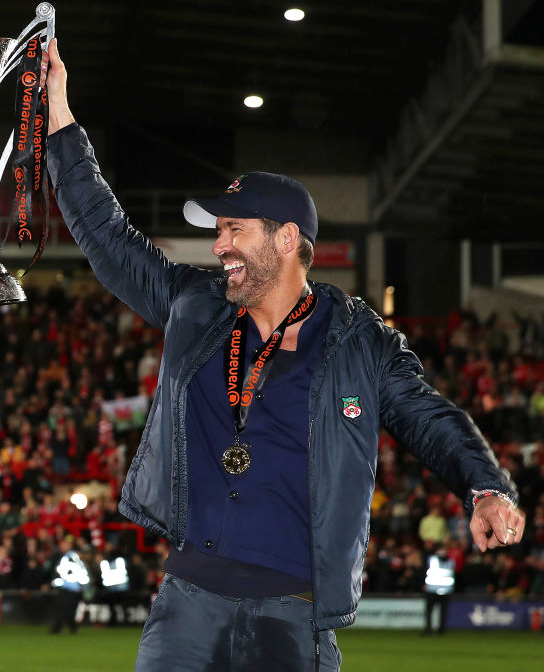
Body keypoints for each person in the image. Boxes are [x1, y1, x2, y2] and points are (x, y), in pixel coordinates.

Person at [43, 39, 526, 672]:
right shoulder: (196, 306)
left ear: (287, 239)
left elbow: (432, 419)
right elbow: (108, 238)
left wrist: (485, 486)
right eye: (218, 231)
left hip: (293, 617)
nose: (219, 246)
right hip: (188, 607)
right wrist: (59, 114)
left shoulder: (361, 342)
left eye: (234, 229)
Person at [49, 536, 89, 634]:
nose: (62, 546)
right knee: (67, 609)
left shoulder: (72, 557)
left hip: (71, 589)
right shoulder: (67, 557)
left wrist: (81, 586)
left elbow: (80, 572)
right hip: (67, 588)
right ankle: (71, 628)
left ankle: (59, 628)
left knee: (65, 609)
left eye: (65, 544)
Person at [422, 545, 455, 635]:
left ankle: (441, 630)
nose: (441, 552)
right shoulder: (432, 560)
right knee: (429, 612)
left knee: (443, 612)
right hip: (432, 590)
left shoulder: (450, 561)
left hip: (444, 591)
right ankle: (428, 628)